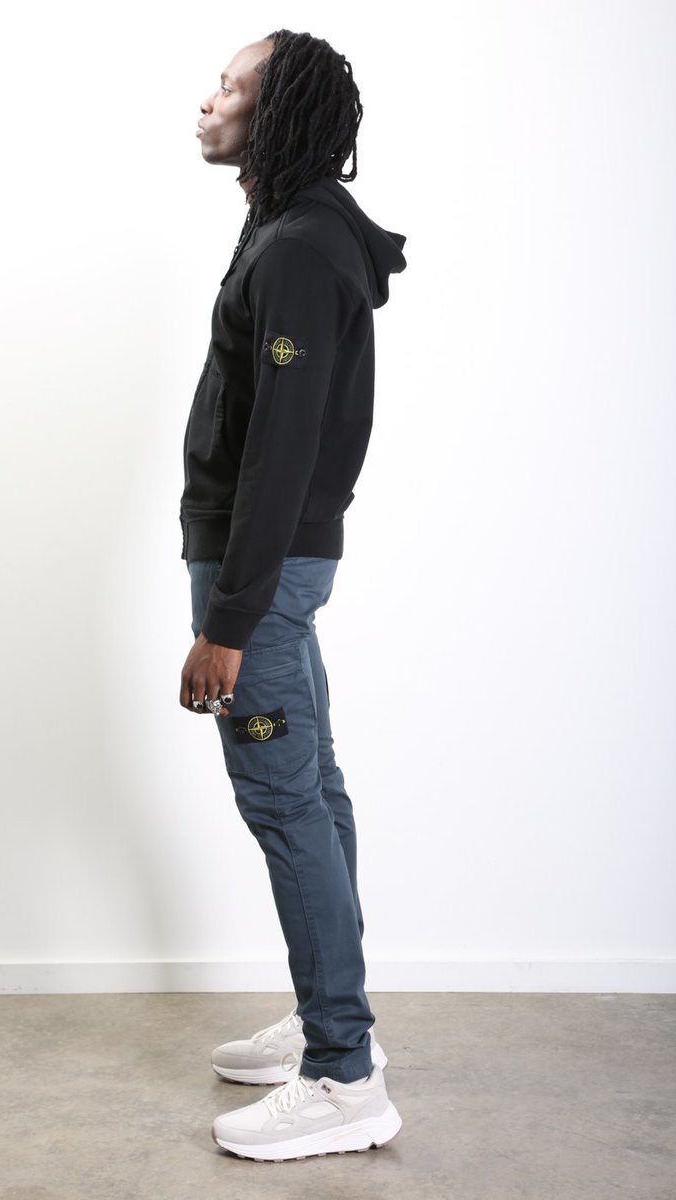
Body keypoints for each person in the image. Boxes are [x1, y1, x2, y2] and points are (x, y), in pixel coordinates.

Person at [178, 29, 407, 1162]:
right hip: (268, 571)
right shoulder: (290, 229)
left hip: (257, 577)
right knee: (312, 786)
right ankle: (334, 1018)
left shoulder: (301, 249)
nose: (207, 100)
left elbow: (282, 451)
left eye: (230, 86)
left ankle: (342, 1072)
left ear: (275, 115)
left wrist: (228, 621)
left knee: (283, 802)